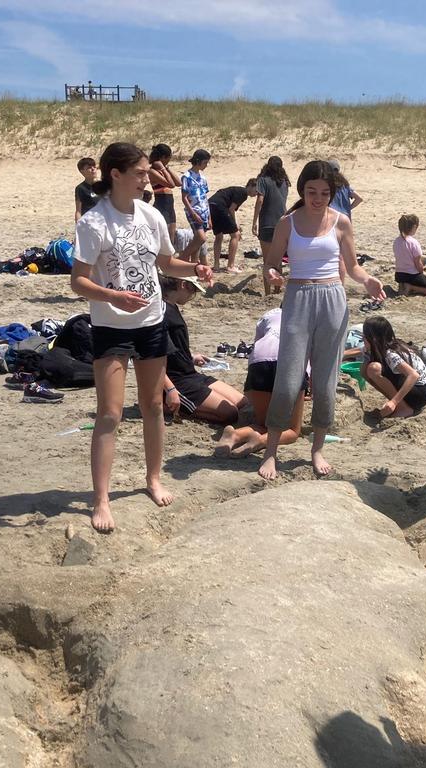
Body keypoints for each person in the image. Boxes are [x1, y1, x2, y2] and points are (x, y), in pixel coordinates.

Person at [71, 142, 214, 533]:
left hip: (152, 321)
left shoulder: (150, 215)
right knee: (110, 413)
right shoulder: (93, 223)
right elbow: (78, 281)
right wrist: (114, 295)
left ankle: (153, 478)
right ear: (115, 175)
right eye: (139, 173)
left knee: (153, 406)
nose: (147, 178)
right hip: (111, 326)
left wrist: (195, 270)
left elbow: (166, 263)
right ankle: (100, 498)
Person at [260, 160, 385, 480]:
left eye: (324, 193)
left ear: (333, 194)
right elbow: (271, 264)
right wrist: (274, 275)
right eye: (311, 191)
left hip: (333, 299)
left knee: (326, 383)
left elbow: (354, 267)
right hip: (298, 298)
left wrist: (368, 281)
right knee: (288, 381)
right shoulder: (288, 223)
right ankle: (271, 450)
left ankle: (317, 450)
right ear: (302, 190)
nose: (317, 198)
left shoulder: (341, 222)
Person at [214, 307, 306, 458]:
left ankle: (235, 435)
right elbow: (313, 360)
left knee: (263, 424)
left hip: (259, 359)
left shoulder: (270, 314)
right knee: (293, 431)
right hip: (290, 361)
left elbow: (257, 343)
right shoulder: (307, 316)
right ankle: (262, 441)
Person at [162, 274, 247, 424]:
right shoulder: (160, 312)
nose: (192, 296)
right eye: (193, 290)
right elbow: (152, 358)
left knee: (242, 403)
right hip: (176, 381)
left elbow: (173, 347)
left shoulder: (172, 306)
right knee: (230, 413)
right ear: (183, 285)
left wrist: (191, 357)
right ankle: (169, 406)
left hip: (189, 374)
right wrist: (169, 389)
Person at [359, 315, 426, 417]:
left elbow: (413, 375)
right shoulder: (383, 345)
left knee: (373, 369)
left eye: (364, 336)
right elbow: (356, 351)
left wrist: (394, 402)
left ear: (374, 339)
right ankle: (400, 404)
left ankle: (403, 408)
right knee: (364, 370)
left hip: (419, 394)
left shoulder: (390, 353)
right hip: (416, 390)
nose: (362, 339)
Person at [252, 156, 291, 295]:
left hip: (267, 223)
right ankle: (277, 289)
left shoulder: (263, 180)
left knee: (267, 261)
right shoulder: (285, 182)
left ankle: (268, 292)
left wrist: (254, 221)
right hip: (282, 223)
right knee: (278, 260)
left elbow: (260, 200)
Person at [209, 180, 258, 273]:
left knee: (219, 236)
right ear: (251, 186)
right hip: (220, 206)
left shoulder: (236, 190)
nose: (256, 194)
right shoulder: (243, 193)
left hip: (211, 206)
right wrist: (236, 226)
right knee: (235, 235)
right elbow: (231, 209)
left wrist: (235, 224)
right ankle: (230, 266)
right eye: (256, 191)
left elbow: (231, 210)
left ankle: (216, 266)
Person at [393, 214, 426, 297]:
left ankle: (403, 285)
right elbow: (417, 263)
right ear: (414, 227)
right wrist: (422, 270)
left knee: (410, 278)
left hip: (399, 275)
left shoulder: (396, 241)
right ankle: (411, 287)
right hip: (411, 275)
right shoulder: (413, 242)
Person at [180, 149, 212, 262]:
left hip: (204, 212)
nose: (206, 165)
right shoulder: (187, 177)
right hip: (194, 211)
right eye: (205, 163)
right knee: (201, 238)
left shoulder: (203, 178)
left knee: (197, 243)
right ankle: (182, 258)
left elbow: (205, 198)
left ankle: (192, 268)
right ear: (198, 161)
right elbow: (184, 198)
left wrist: (209, 218)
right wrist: (193, 213)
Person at [148, 143, 180, 230]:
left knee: (171, 236)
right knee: (164, 234)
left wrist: (167, 168)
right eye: (169, 157)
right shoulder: (152, 171)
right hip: (161, 203)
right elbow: (171, 184)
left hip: (169, 205)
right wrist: (163, 169)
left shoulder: (164, 170)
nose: (169, 160)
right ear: (163, 157)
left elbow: (178, 183)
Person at [75, 157, 101, 221]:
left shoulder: (103, 185)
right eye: (89, 167)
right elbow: (78, 211)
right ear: (82, 171)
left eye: (94, 167)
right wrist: (78, 226)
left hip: (104, 221)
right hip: (89, 222)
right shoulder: (81, 188)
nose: (93, 169)